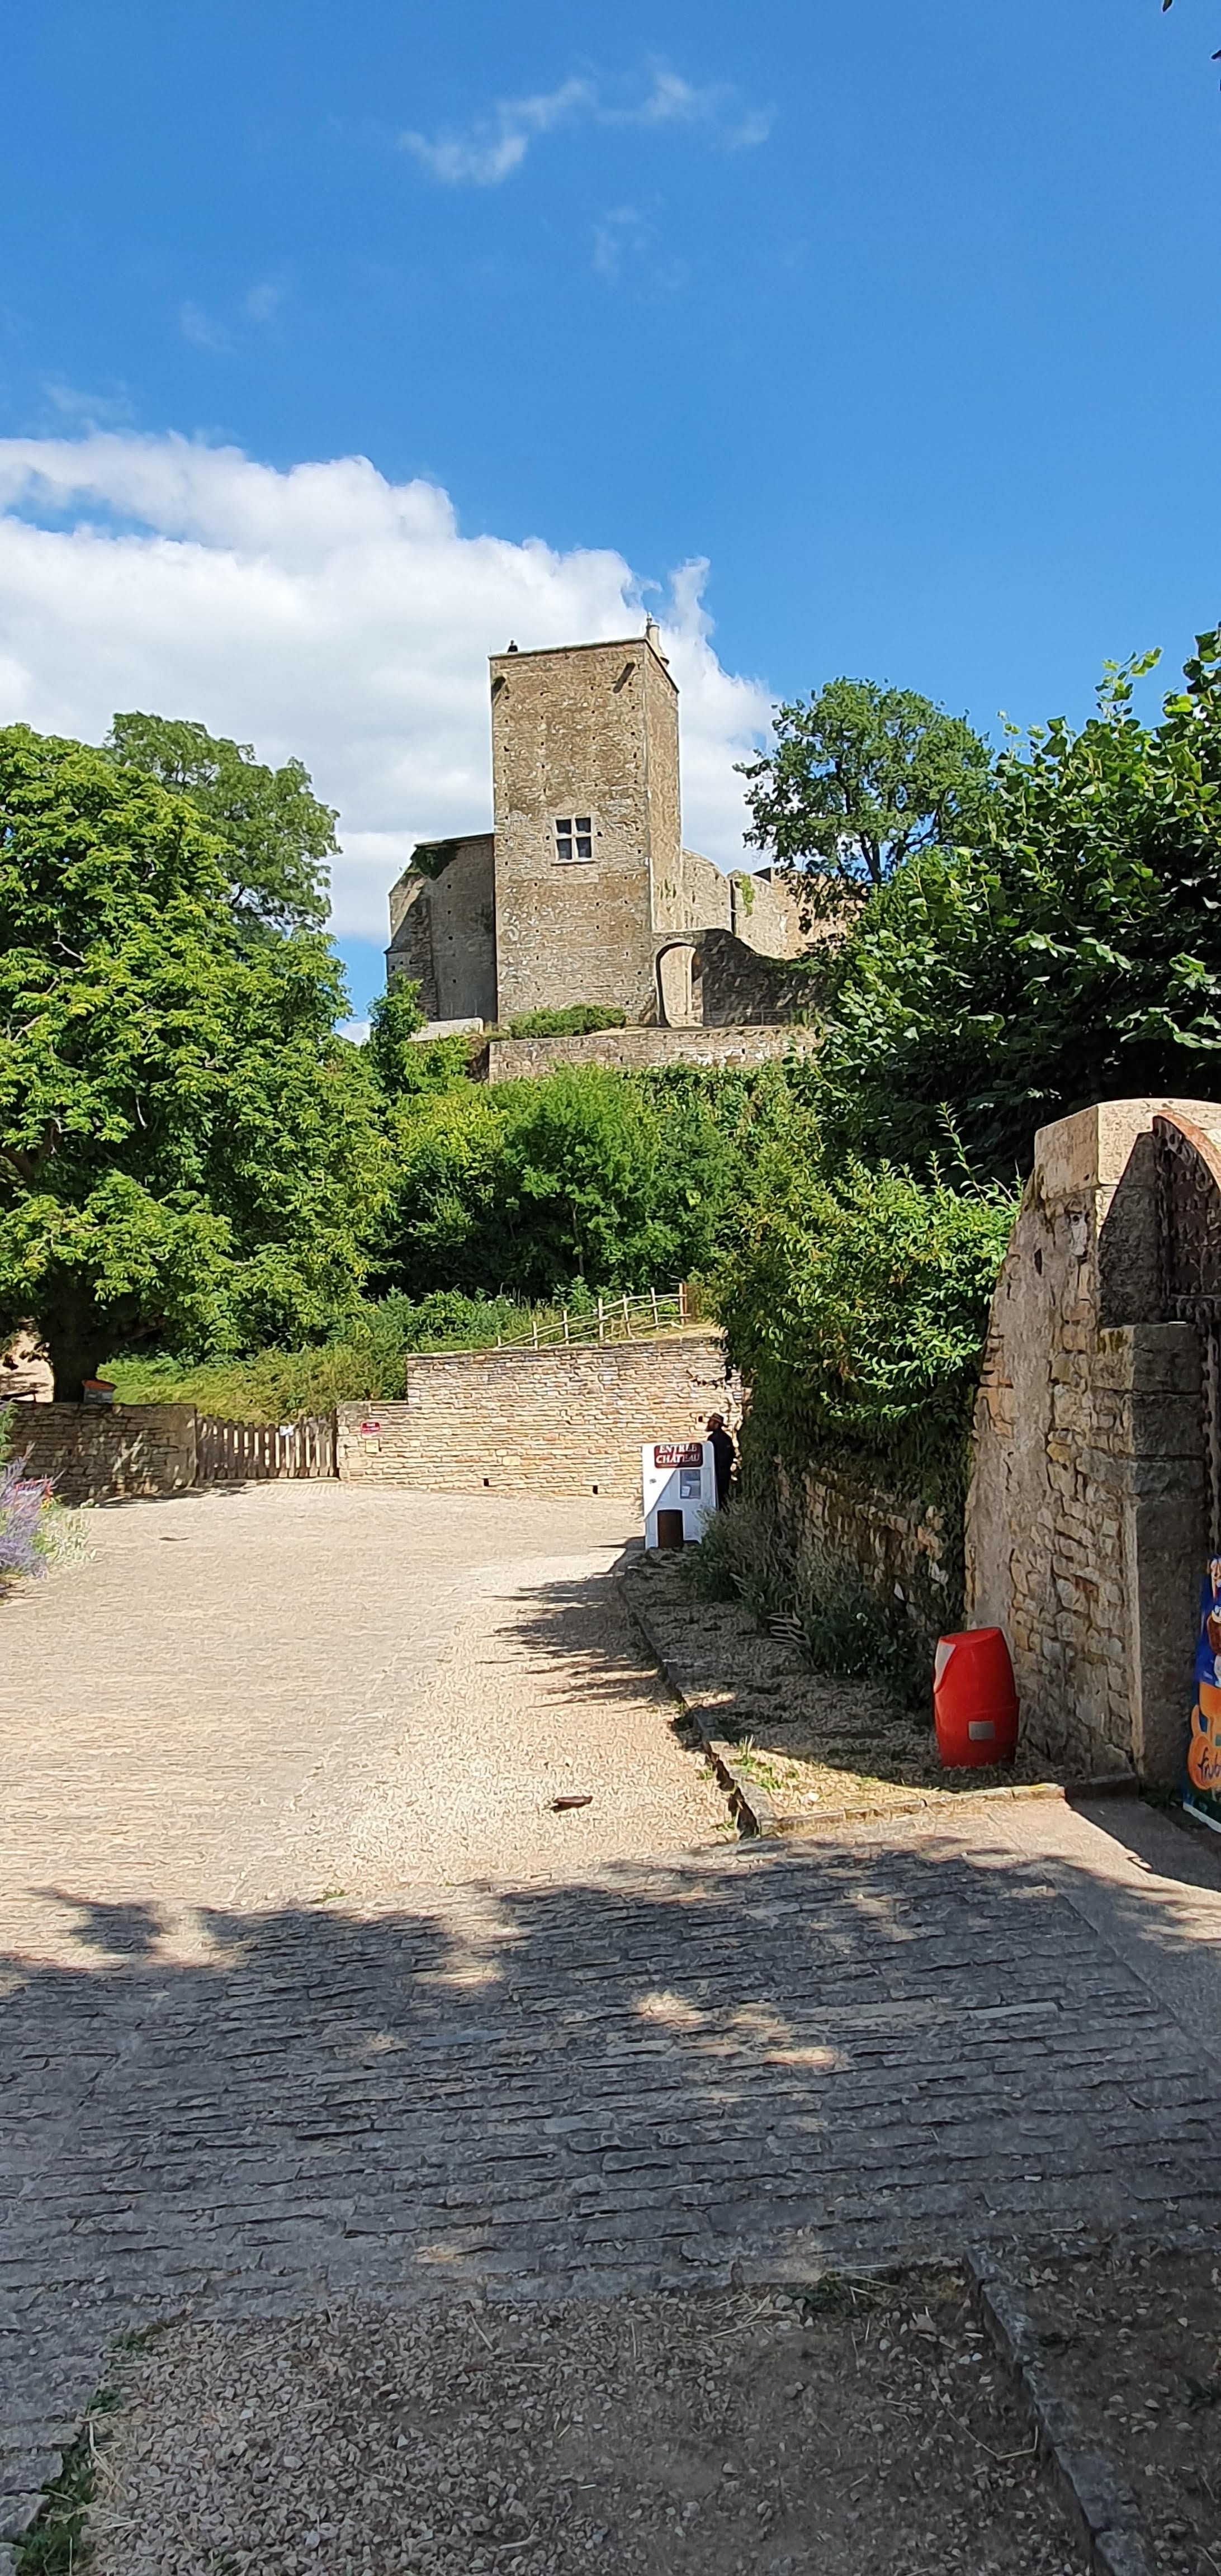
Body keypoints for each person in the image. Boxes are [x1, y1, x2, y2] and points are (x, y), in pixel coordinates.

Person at [706, 1413, 736, 1509]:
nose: (708, 1423)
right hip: (724, 1473)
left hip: (717, 1474)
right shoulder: (727, 1438)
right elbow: (732, 1455)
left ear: (716, 1424)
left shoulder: (713, 1439)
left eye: (711, 1421)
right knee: (724, 1498)